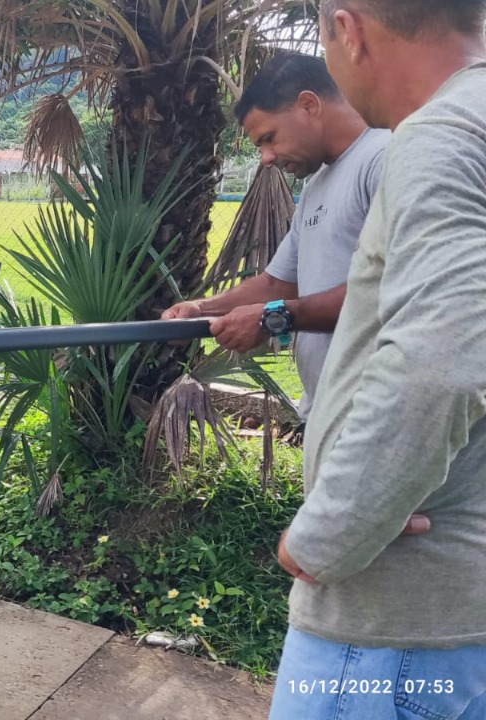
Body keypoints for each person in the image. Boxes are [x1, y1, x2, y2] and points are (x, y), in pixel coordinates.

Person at [270, 1, 486, 717]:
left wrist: (326, 536)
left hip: (393, 623)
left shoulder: (440, 137)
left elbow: (437, 367)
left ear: (349, 28)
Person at [163, 53, 388, 421]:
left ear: (308, 105)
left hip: (379, 413)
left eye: (269, 138)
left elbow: (391, 289)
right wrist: (200, 308)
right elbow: (278, 283)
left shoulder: (381, 157)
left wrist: (275, 318)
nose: (266, 158)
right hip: (327, 411)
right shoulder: (316, 185)